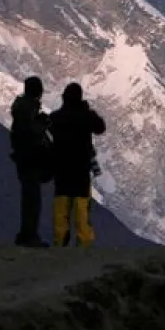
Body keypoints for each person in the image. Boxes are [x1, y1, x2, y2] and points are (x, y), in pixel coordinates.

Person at [48, 82, 106, 247]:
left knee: (61, 207)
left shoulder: (56, 117)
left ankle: (59, 241)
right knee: (81, 208)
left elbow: (48, 130)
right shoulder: (86, 116)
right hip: (81, 170)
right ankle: (84, 242)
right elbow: (100, 127)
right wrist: (87, 110)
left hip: (61, 169)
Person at [9, 75, 52, 247]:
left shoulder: (22, 108)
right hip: (30, 159)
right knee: (32, 200)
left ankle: (27, 234)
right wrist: (42, 124)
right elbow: (30, 133)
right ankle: (29, 236)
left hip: (24, 158)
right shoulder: (27, 111)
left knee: (29, 198)